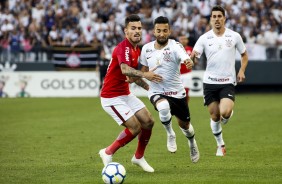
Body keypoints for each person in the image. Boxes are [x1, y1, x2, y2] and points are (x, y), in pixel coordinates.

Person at [99, 14, 162, 173]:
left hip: (125, 94)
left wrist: (150, 89)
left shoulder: (136, 49)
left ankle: (138, 157)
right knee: (135, 127)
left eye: (139, 28)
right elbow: (125, 69)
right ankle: (107, 152)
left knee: (148, 121)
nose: (137, 31)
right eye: (133, 28)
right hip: (111, 97)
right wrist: (145, 74)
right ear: (125, 31)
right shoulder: (123, 48)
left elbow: (131, 76)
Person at [140, 16, 200, 163]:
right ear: (154, 31)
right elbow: (143, 70)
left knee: (186, 126)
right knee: (163, 106)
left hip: (177, 93)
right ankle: (170, 134)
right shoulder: (146, 48)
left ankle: (192, 143)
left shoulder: (175, 46)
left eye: (165, 30)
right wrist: (146, 75)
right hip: (156, 91)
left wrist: (189, 61)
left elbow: (185, 57)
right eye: (158, 30)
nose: (161, 34)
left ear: (169, 31)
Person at [190, 5, 248, 156]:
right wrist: (192, 58)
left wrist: (241, 70)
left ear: (224, 18)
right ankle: (220, 145)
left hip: (227, 81)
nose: (216, 19)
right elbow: (195, 57)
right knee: (215, 116)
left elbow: (244, 55)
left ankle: (228, 113)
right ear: (210, 19)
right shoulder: (204, 38)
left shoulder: (234, 36)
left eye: (219, 16)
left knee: (225, 112)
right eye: (214, 16)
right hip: (209, 82)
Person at [178, 35, 193, 103]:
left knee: (186, 92)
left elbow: (194, 61)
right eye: (182, 39)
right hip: (177, 74)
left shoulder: (190, 49)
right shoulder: (176, 49)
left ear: (187, 40)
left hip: (187, 74)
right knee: (177, 92)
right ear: (179, 40)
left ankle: (186, 106)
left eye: (185, 39)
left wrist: (193, 61)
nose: (183, 40)